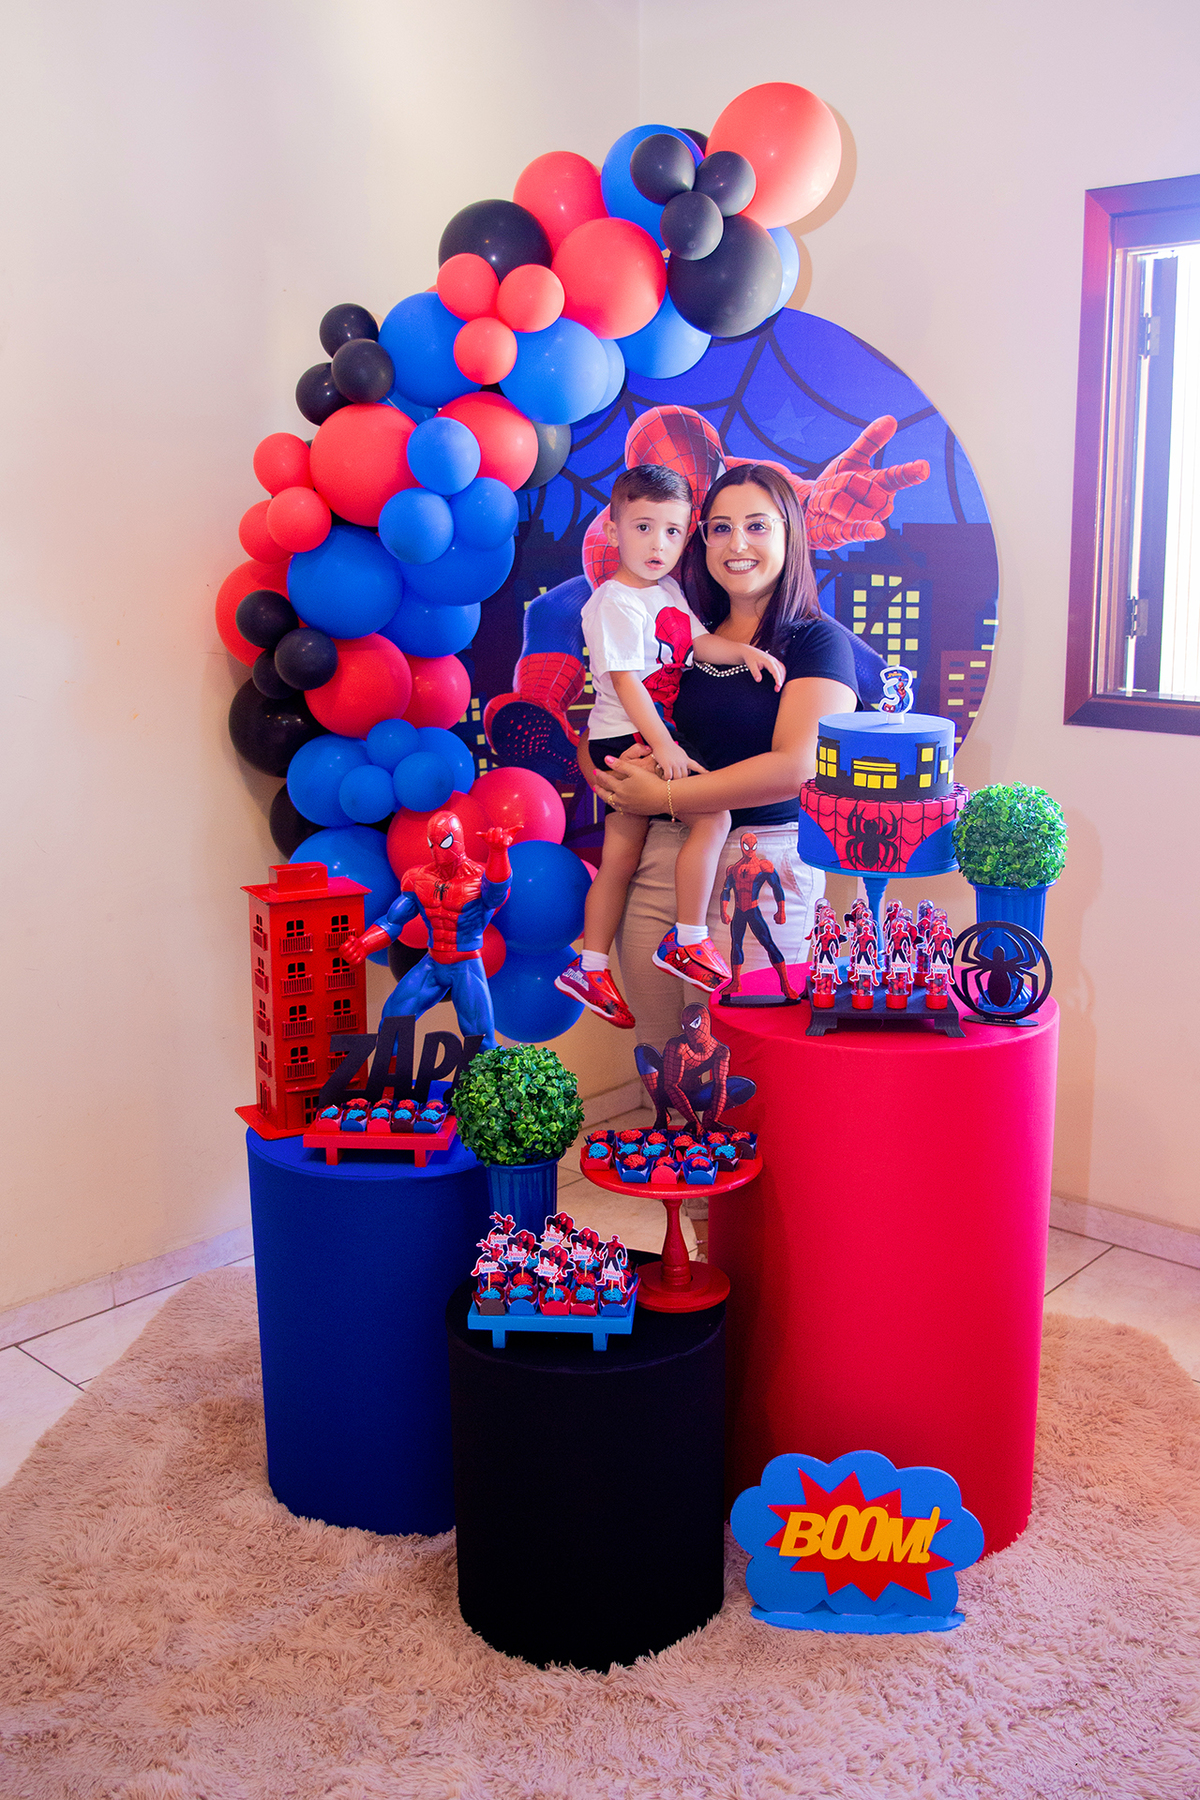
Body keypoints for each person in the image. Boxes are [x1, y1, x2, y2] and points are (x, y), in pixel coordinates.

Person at [582, 462, 859, 1051]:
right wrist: (615, 778)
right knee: (664, 1065)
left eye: (758, 526)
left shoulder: (816, 640)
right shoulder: (679, 623)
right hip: (657, 862)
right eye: (721, 527)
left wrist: (666, 796)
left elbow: (795, 767)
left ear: (791, 534)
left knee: (750, 1066)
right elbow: (607, 723)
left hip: (757, 873)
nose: (737, 544)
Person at [555, 463, 785, 1029]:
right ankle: (687, 939)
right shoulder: (613, 602)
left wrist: (745, 655)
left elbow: (698, 641)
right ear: (612, 531)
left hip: (643, 734)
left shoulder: (668, 592)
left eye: (674, 532)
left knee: (620, 859)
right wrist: (666, 746)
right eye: (643, 528)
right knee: (715, 816)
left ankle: (589, 964)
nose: (659, 544)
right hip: (631, 733)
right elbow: (628, 683)